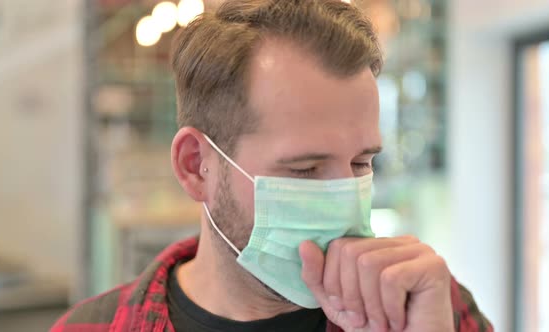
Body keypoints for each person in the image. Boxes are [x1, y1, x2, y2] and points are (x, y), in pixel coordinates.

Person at [52, 0, 493, 331]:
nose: (344, 202)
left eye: (361, 163)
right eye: (304, 170)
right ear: (196, 166)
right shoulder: (92, 327)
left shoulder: (428, 307)